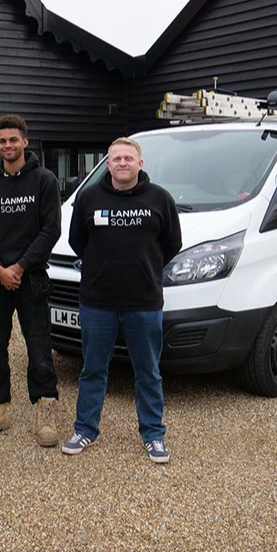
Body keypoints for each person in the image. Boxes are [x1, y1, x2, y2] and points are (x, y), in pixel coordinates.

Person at [63, 137, 182, 463]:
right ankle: (85, 429)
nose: (123, 163)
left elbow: (172, 243)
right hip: (97, 301)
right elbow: (77, 241)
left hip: (143, 301)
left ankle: (153, 434)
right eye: (116, 158)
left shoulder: (160, 199)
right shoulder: (89, 198)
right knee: (93, 369)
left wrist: (145, 268)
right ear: (108, 163)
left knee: (148, 371)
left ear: (140, 163)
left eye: (129, 158)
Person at [0, 114, 62, 447]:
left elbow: (51, 230)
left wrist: (20, 267)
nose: (7, 145)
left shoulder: (44, 180)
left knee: (39, 348)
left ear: (25, 141)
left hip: (32, 278)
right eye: (2, 141)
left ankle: (45, 410)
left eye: (13, 139)